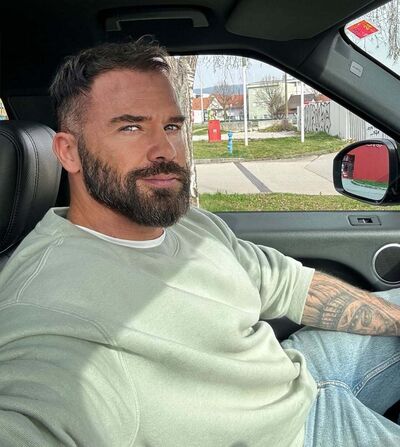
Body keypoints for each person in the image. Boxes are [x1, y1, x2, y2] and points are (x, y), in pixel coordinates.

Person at [0, 39, 399, 447]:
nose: (165, 150)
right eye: (131, 127)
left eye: (171, 126)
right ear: (68, 152)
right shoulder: (47, 308)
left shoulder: (185, 222)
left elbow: (287, 284)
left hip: (298, 375)